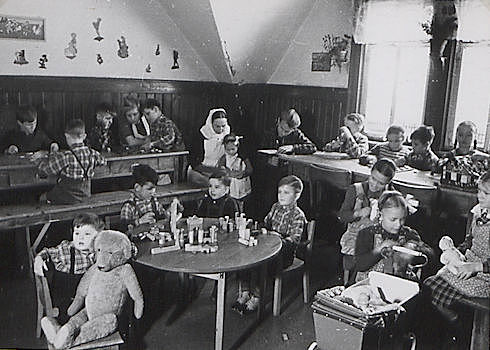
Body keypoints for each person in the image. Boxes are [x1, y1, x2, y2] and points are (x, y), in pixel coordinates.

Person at [424, 170, 490, 322]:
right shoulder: (479, 212)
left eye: (485, 193)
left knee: (432, 288)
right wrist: (454, 250)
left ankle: (457, 324)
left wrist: (475, 267)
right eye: (479, 191)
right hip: (467, 263)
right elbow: (470, 240)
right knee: (429, 286)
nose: (479, 196)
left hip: (485, 277)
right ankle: (453, 321)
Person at [235, 175, 307, 314]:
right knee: (244, 257)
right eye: (280, 192)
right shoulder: (275, 207)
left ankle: (256, 297)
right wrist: (259, 227)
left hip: (284, 254)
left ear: (297, 195)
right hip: (266, 247)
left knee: (262, 264)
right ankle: (244, 292)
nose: (281, 196)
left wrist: (278, 237)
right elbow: (265, 223)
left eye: (286, 192)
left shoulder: (298, 215)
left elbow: (295, 240)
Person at [33, 213, 104, 323]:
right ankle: (59, 329)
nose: (80, 237)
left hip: (88, 298)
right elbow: (47, 251)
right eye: (77, 233)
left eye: (87, 234)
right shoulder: (65, 249)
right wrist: (39, 259)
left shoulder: (98, 251)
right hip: (65, 297)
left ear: (98, 236)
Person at [339, 158, 397, 285]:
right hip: (355, 237)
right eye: (373, 178)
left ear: (388, 183)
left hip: (378, 239)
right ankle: (351, 284)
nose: (375, 185)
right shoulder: (356, 189)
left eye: (381, 183)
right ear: (370, 172)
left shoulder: (390, 196)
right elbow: (342, 215)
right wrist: (357, 213)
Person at [354, 191, 433, 282]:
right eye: (393, 219)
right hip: (371, 283)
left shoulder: (409, 234)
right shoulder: (366, 234)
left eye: (402, 219)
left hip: (400, 283)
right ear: (380, 214)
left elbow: (430, 256)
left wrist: (415, 248)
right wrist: (379, 249)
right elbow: (359, 265)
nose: (398, 224)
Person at [35, 119, 106, 204]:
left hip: (67, 196)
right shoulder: (92, 153)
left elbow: (44, 171)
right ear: (84, 136)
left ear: (67, 136)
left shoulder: (67, 156)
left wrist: (41, 161)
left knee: (42, 198)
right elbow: (103, 161)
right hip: (85, 196)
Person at [120, 164, 180, 233]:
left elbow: (162, 217)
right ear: (137, 187)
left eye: (154, 188)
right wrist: (139, 221)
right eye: (149, 189)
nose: (153, 192)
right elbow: (124, 232)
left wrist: (169, 212)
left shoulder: (154, 201)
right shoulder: (129, 206)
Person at [188, 108, 230, 185]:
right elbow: (195, 164)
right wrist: (214, 170)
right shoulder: (201, 136)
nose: (221, 129)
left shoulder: (227, 135)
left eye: (223, 126)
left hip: (218, 171)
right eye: (217, 126)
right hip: (200, 172)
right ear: (211, 124)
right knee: (209, 182)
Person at [217, 133, 252, 213]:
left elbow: (250, 169)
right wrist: (226, 171)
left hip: (242, 182)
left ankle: (242, 214)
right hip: (232, 183)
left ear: (237, 147)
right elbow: (220, 167)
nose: (230, 152)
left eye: (233, 149)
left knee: (242, 201)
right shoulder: (225, 157)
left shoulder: (242, 157)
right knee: (232, 201)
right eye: (227, 149)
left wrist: (243, 174)